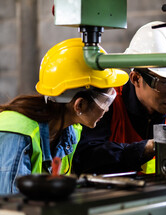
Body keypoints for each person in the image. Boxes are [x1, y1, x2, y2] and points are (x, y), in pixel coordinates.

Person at [0, 38, 128, 194]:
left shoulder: (71, 131)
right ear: (79, 105)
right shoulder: (17, 134)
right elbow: (10, 206)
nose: (107, 109)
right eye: (105, 101)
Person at [73, 21, 166, 175]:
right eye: (164, 82)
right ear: (135, 78)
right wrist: (146, 149)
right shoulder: (107, 105)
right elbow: (85, 158)